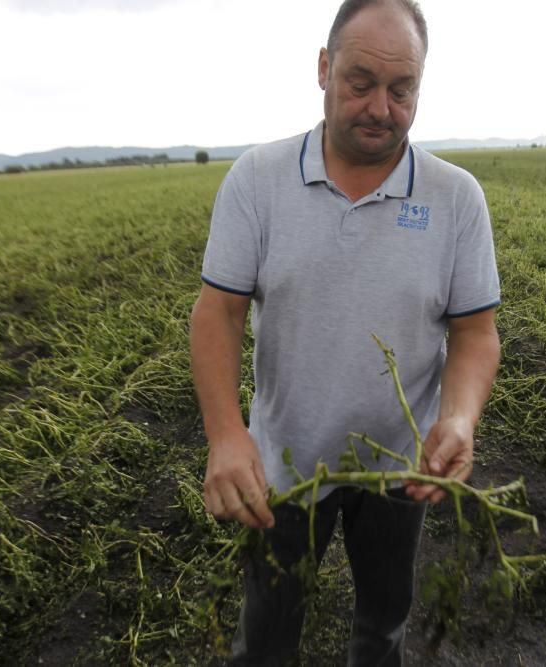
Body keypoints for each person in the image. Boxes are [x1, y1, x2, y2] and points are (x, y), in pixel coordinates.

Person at [189, 0, 501, 664]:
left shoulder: (456, 198)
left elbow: (476, 330)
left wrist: (461, 417)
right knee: (268, 629)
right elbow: (218, 310)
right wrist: (224, 433)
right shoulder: (258, 180)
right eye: (360, 82)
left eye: (401, 89)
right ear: (324, 69)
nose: (380, 108)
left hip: (399, 466)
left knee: (384, 623)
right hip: (284, 464)